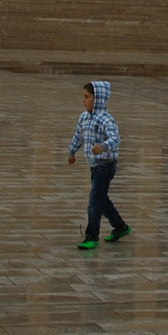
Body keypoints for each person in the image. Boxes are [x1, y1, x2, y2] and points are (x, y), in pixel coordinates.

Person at [67, 81, 130, 249]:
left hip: (106, 165)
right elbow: (78, 137)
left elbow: (116, 138)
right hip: (94, 165)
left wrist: (103, 146)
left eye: (87, 97)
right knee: (101, 199)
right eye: (84, 97)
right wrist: (72, 152)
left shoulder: (106, 120)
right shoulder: (84, 117)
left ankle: (92, 235)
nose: (84, 100)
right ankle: (120, 226)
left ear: (99, 99)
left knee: (94, 200)